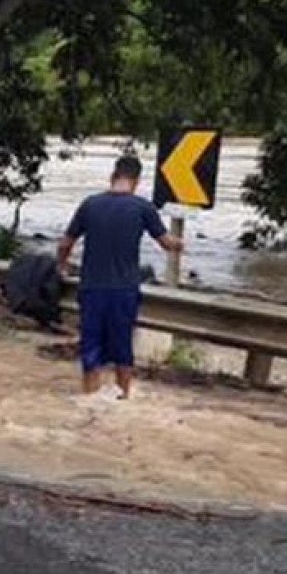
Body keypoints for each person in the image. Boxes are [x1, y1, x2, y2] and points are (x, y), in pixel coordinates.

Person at [56, 155, 184, 398]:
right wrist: (180, 242)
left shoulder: (90, 204)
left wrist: (61, 267)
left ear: (113, 176)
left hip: (92, 287)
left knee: (91, 346)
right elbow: (168, 244)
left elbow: (64, 244)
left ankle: (89, 395)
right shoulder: (143, 208)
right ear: (136, 180)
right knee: (122, 347)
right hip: (124, 290)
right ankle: (123, 396)